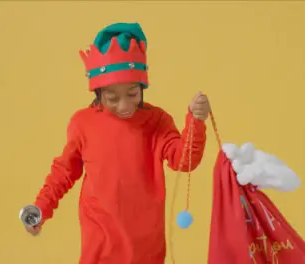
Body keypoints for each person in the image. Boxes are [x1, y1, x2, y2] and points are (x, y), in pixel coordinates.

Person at [24, 22, 211, 264]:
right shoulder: (83, 123)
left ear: (142, 87)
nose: (124, 106)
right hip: (99, 238)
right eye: (112, 98)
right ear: (97, 93)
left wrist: (196, 121)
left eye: (132, 94)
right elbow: (64, 172)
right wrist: (42, 208)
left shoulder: (157, 121)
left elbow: (184, 161)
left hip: (146, 242)